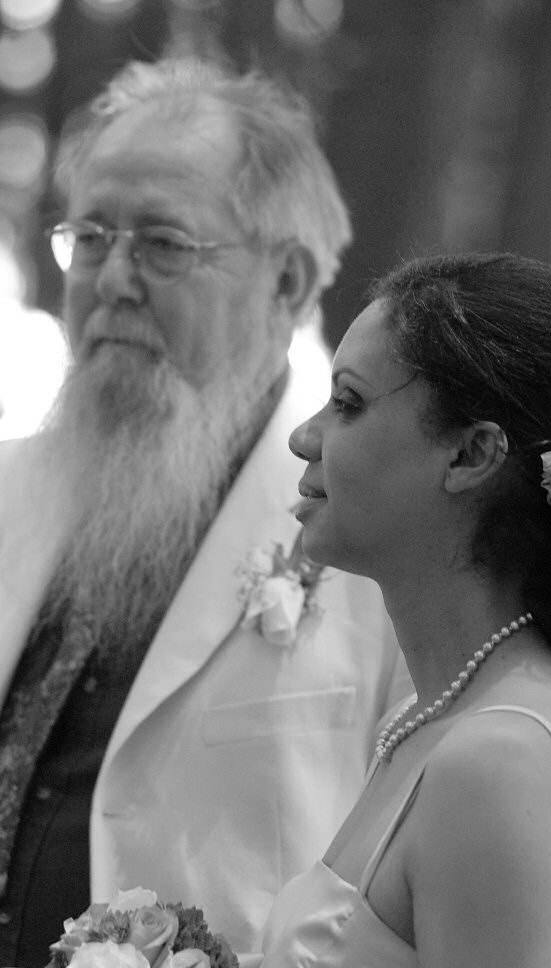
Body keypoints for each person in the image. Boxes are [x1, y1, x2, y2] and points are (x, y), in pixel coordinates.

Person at [0, 56, 411, 967]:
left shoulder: (386, 545)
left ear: (288, 283)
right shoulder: (7, 488)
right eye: (91, 237)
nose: (112, 279)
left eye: (162, 244)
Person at [256, 251, 551, 967]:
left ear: (471, 454)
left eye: (348, 403)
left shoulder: (500, 759)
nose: (303, 437)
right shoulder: (447, 714)